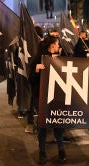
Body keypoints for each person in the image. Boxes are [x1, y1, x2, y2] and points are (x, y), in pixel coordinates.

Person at [29, 35, 66, 164]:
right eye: (57, 44)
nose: (59, 46)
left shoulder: (60, 58)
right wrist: (36, 70)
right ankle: (42, 152)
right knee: (42, 126)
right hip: (40, 97)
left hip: (56, 97)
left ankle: (61, 149)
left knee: (58, 123)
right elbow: (31, 79)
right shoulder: (39, 58)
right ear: (52, 45)